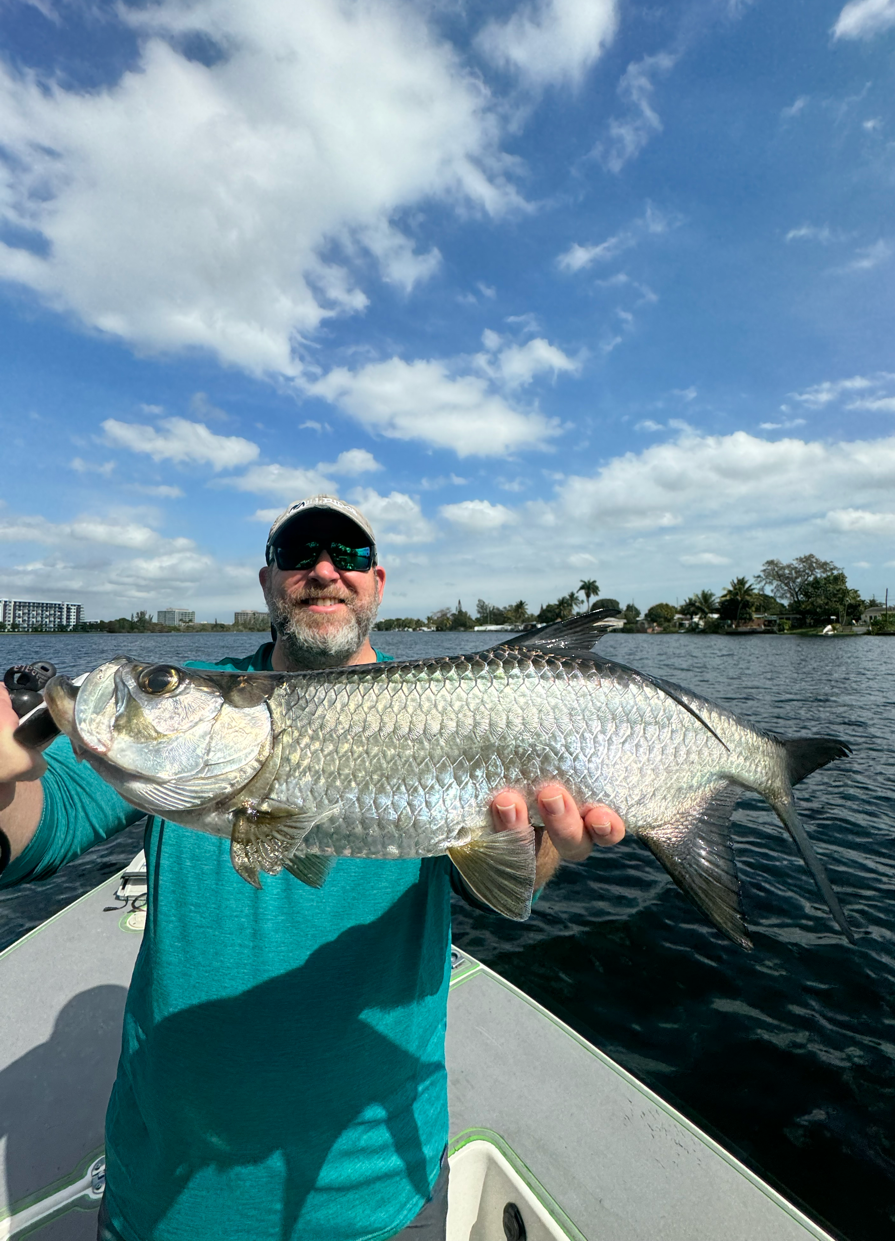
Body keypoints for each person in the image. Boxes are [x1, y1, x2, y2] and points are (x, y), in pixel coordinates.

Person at [0, 495, 625, 1241]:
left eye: (349, 555)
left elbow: (498, 875)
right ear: (269, 583)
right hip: (169, 1187)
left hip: (378, 1189)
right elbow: (48, 821)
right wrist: (6, 775)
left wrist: (545, 844)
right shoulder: (199, 700)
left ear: (377, 582)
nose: (324, 571)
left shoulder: (450, 702)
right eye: (300, 553)